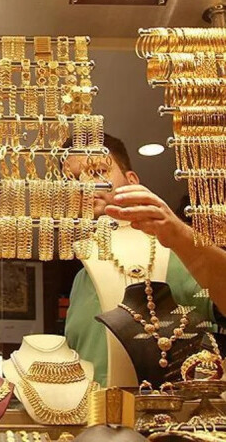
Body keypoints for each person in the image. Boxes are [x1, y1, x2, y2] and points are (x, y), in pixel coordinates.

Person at [64, 134, 226, 386]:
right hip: (93, 410)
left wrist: (180, 236)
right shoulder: (81, 279)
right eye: (72, 180)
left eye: (98, 171)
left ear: (131, 181)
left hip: (175, 410)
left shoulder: (180, 253)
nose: (85, 185)